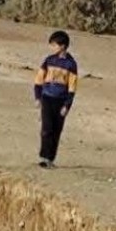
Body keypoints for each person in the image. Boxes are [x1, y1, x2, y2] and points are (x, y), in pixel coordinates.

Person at [33, 30, 78, 169]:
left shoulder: (71, 64)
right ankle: (44, 157)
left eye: (54, 45)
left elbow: (72, 87)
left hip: (61, 101)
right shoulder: (49, 60)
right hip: (47, 98)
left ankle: (50, 159)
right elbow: (38, 80)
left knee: (56, 130)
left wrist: (67, 106)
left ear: (63, 46)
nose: (52, 48)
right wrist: (37, 97)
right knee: (46, 129)